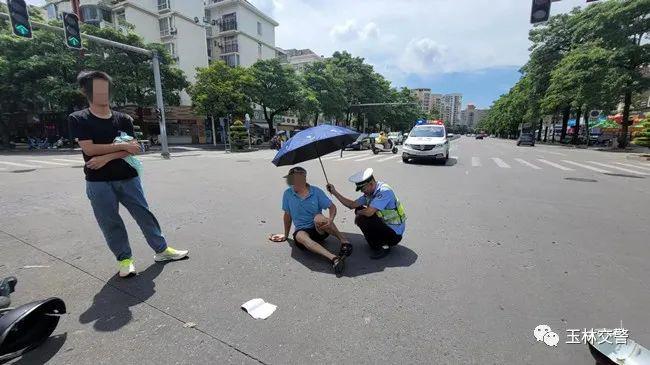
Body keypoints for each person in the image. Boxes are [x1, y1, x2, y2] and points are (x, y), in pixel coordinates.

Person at [68, 70, 188, 278]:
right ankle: (124, 260)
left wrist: (106, 157)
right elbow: (89, 150)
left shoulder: (123, 119)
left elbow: (134, 148)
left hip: (128, 176)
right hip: (98, 182)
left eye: (106, 88)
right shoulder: (79, 119)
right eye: (97, 89)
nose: (103, 93)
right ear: (86, 92)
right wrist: (120, 148)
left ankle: (162, 250)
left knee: (144, 214)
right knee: (110, 221)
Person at [270, 166, 352, 274]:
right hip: (303, 231)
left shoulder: (316, 191)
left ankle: (344, 241)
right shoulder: (288, 194)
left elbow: (332, 207)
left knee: (319, 218)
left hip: (320, 229)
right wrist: (286, 235)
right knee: (299, 236)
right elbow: (287, 216)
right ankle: (334, 259)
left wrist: (330, 219)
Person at [327, 168, 406, 259]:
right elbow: (351, 205)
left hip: (394, 234)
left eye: (363, 188)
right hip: (385, 226)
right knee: (359, 211)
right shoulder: (369, 193)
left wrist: (359, 213)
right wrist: (334, 192)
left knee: (363, 215)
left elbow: (369, 212)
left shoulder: (384, 191)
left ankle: (385, 246)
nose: (362, 191)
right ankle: (375, 242)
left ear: (371, 183)